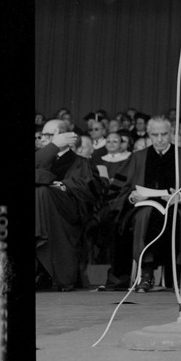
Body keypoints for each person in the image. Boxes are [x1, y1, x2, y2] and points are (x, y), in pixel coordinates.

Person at [101, 115, 181, 292]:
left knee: (176, 219)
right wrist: (131, 197)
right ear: (148, 134)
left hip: (178, 208)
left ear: (172, 133)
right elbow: (118, 192)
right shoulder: (137, 158)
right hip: (142, 209)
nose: (159, 139)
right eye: (154, 135)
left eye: (164, 134)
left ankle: (179, 275)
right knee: (145, 216)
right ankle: (146, 273)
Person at [35, 119, 104, 290]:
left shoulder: (83, 163)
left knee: (43, 192)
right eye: (41, 135)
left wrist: (64, 186)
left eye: (48, 135)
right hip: (41, 215)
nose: (43, 139)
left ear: (64, 137)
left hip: (69, 218)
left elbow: (90, 193)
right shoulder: (40, 158)